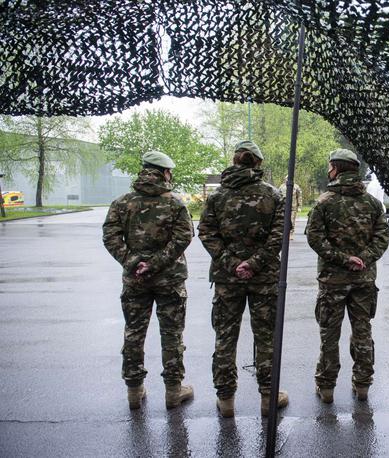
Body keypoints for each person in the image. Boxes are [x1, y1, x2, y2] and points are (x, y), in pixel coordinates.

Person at [198, 140, 289, 418]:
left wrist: (232, 264)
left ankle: (226, 400)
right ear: (257, 163)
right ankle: (267, 397)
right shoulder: (272, 195)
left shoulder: (217, 197)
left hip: (228, 279)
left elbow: (206, 233)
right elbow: (280, 234)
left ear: (235, 161)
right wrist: (254, 262)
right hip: (263, 277)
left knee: (225, 337)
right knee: (266, 338)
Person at [102, 150, 194, 410]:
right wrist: (156, 264)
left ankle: (134, 391)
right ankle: (173, 392)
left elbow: (110, 237)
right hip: (170, 280)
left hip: (135, 281)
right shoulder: (175, 203)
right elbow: (183, 237)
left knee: (134, 333)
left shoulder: (122, 202)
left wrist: (134, 263)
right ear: (165, 172)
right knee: (172, 335)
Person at [306, 149, 389, 403]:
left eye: (330, 166)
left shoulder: (325, 202)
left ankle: (327, 387)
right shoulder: (373, 204)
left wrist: (343, 259)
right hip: (364, 280)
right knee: (362, 331)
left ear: (336, 168)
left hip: (333, 280)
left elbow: (314, 237)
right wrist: (363, 258)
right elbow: (382, 238)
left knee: (329, 334)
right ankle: (363, 385)